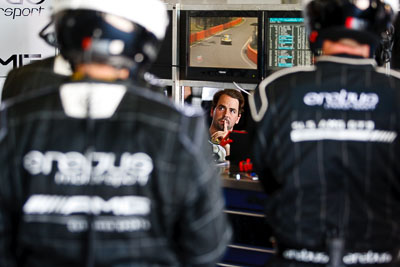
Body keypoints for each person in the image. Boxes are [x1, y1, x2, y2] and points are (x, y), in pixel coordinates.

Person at [0, 0, 231, 266]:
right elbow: (207, 247)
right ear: (144, 42)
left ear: (64, 33)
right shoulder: (178, 128)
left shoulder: (14, 123)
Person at [249, 0, 400, 266]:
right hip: (377, 257)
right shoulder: (395, 92)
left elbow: (268, 175)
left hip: (297, 256)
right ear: (379, 37)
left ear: (315, 32)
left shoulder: (274, 91)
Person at [209, 89, 244, 161]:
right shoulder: (197, 139)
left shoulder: (243, 148)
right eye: (221, 108)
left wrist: (227, 149)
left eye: (232, 111)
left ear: (238, 118)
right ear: (212, 111)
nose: (226, 114)